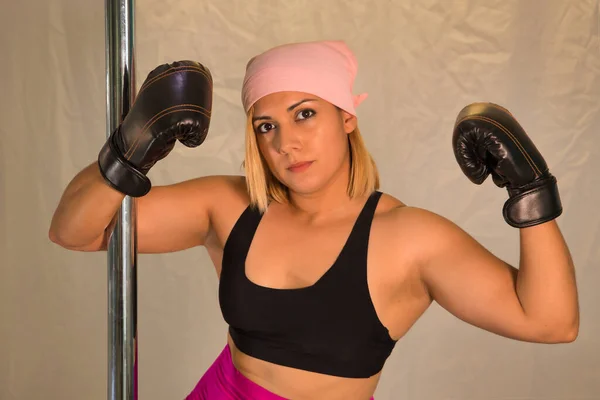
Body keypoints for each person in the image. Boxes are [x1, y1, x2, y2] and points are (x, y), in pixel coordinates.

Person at [49, 40, 579, 400]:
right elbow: (75, 231)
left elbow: (551, 322)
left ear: (346, 116)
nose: (287, 142)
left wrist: (530, 193)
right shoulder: (230, 208)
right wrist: (128, 152)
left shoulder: (409, 237)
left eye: (306, 113)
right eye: (265, 126)